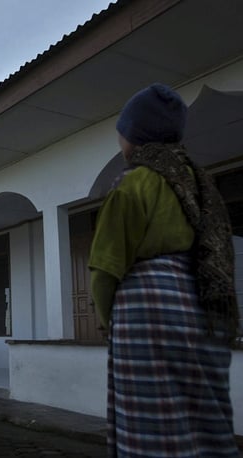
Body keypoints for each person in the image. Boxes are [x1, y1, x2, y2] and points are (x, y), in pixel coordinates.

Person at [89, 83, 240, 457]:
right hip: (204, 309)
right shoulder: (200, 184)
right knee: (205, 418)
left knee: (152, 415)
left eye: (121, 132)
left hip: (149, 311)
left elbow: (105, 269)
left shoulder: (132, 183)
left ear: (134, 137)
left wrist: (108, 320)